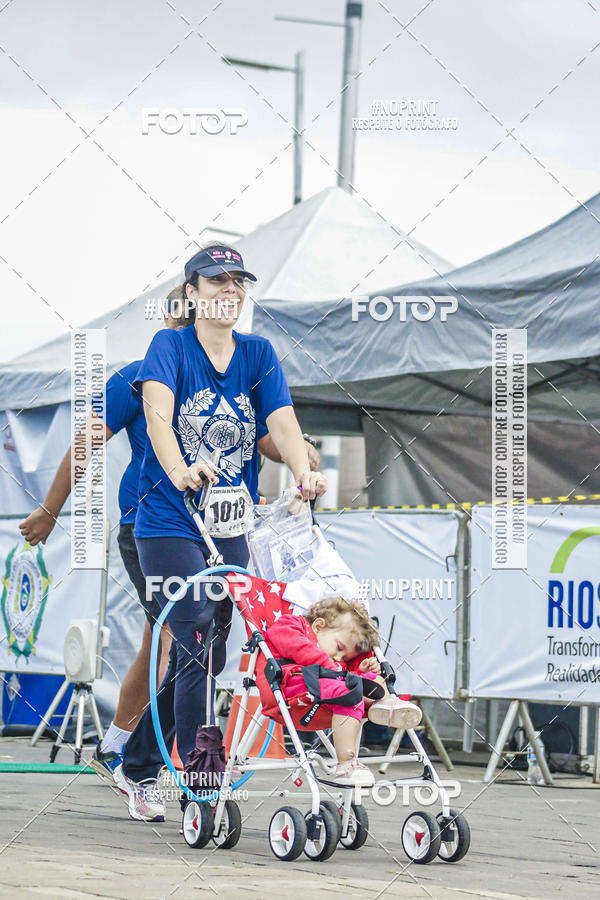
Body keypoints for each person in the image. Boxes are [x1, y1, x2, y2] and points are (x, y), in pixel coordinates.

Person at [117, 242, 328, 822]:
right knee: (192, 636)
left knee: (207, 654)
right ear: (192, 292)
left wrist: (305, 469)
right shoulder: (170, 345)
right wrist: (180, 468)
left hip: (228, 525)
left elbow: (282, 424)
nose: (229, 292)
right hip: (166, 521)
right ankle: (200, 778)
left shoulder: (258, 353)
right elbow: (159, 416)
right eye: (216, 283)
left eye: (238, 283)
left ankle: (137, 763)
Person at [256, 596, 422, 787]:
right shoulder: (292, 625)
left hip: (324, 694)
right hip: (292, 686)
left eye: (345, 656)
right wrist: (335, 669)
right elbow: (297, 646)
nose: (339, 657)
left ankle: (385, 703)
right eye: (339, 648)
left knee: (370, 681)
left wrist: (362, 672)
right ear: (318, 626)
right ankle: (346, 763)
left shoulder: (333, 663)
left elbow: (339, 676)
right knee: (348, 691)